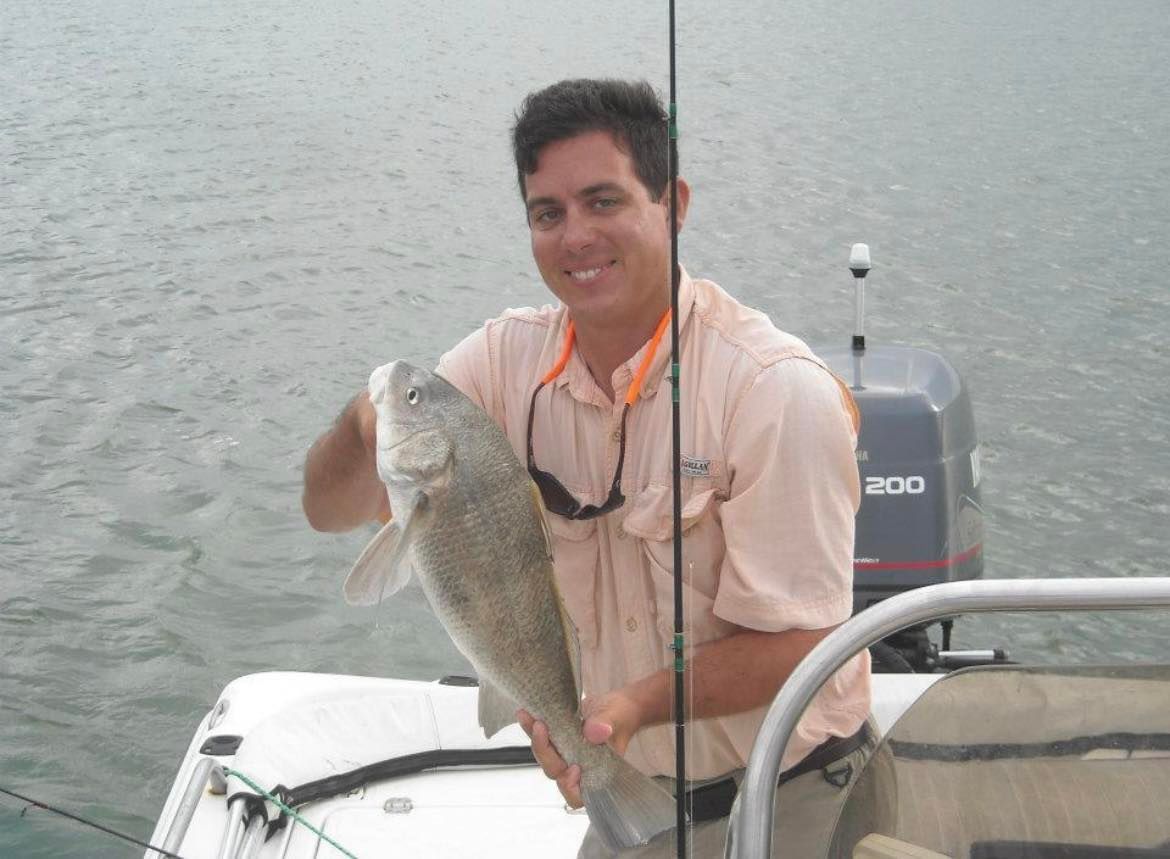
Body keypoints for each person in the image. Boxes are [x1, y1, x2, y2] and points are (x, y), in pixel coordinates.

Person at [302, 78, 875, 857]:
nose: (574, 236)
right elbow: (329, 510)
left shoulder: (774, 392)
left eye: (603, 201)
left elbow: (807, 642)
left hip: (794, 791)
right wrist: (366, 420)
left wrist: (630, 707)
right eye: (548, 213)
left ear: (672, 204)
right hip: (622, 788)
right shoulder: (500, 364)